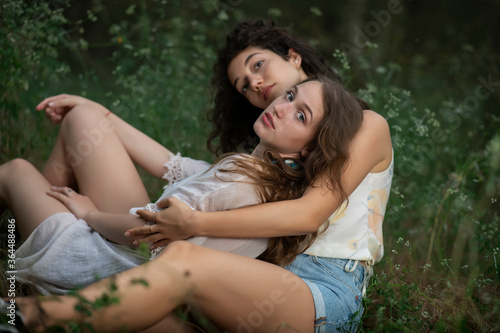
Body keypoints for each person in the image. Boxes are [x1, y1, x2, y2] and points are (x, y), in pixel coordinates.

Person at [9, 20, 393, 332]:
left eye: (259, 65)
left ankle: (28, 314)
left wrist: (192, 221)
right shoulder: (270, 149)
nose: (255, 85)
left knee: (180, 261)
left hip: (317, 290)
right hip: (243, 270)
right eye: (244, 85)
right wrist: (101, 114)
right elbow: (186, 171)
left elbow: (309, 214)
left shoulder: (365, 125)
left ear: (294, 57)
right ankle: (25, 253)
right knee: (83, 122)